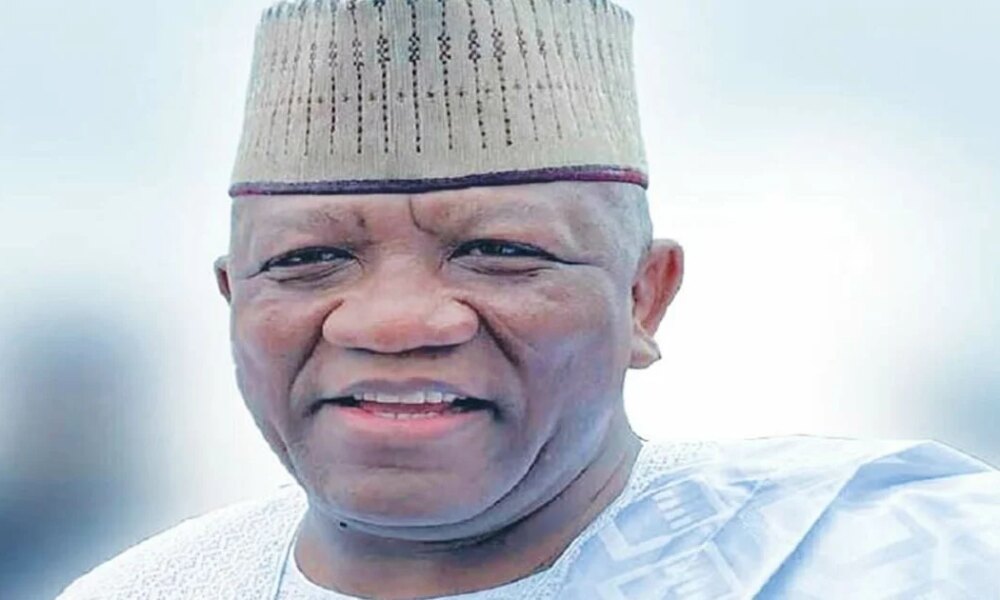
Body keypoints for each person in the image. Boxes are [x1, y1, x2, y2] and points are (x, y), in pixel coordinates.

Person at [59, 1, 999, 598]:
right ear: (233, 299)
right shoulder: (149, 593)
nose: (393, 323)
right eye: (309, 260)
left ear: (643, 299)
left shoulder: (904, 559)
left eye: (500, 252)